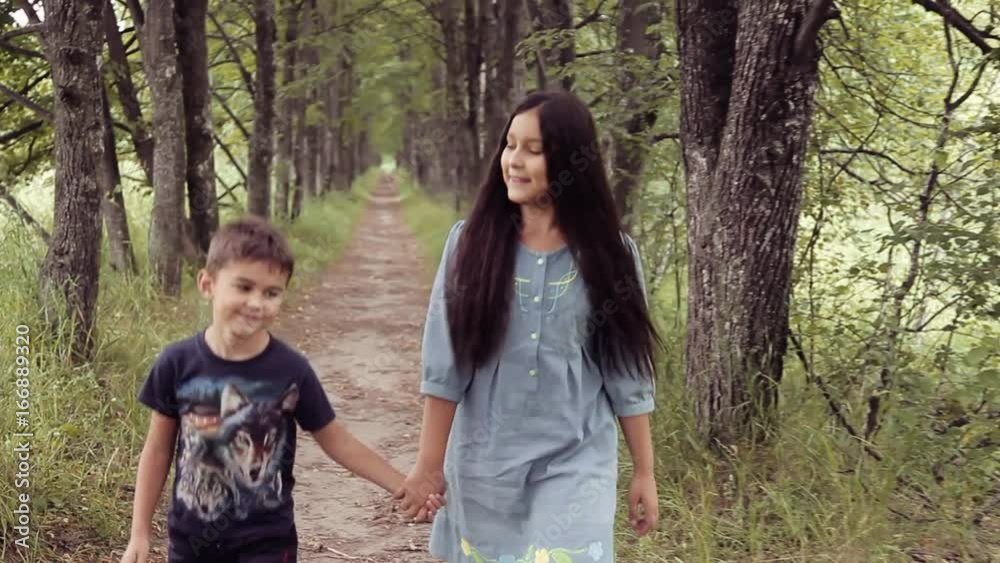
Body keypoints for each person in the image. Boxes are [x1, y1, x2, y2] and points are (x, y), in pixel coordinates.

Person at [397, 90, 662, 562]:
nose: (514, 161)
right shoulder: (469, 246)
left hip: (576, 463)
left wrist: (645, 471)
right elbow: (445, 366)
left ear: (569, 159)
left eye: (533, 150)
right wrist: (428, 465)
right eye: (510, 145)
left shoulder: (612, 256)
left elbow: (626, 373)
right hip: (485, 466)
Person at [121, 217, 439, 563]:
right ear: (207, 284)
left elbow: (336, 440)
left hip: (268, 545)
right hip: (190, 545)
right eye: (244, 287)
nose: (257, 303)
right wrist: (139, 532)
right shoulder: (176, 363)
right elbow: (157, 450)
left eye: (271, 293)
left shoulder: (290, 370)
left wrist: (403, 484)